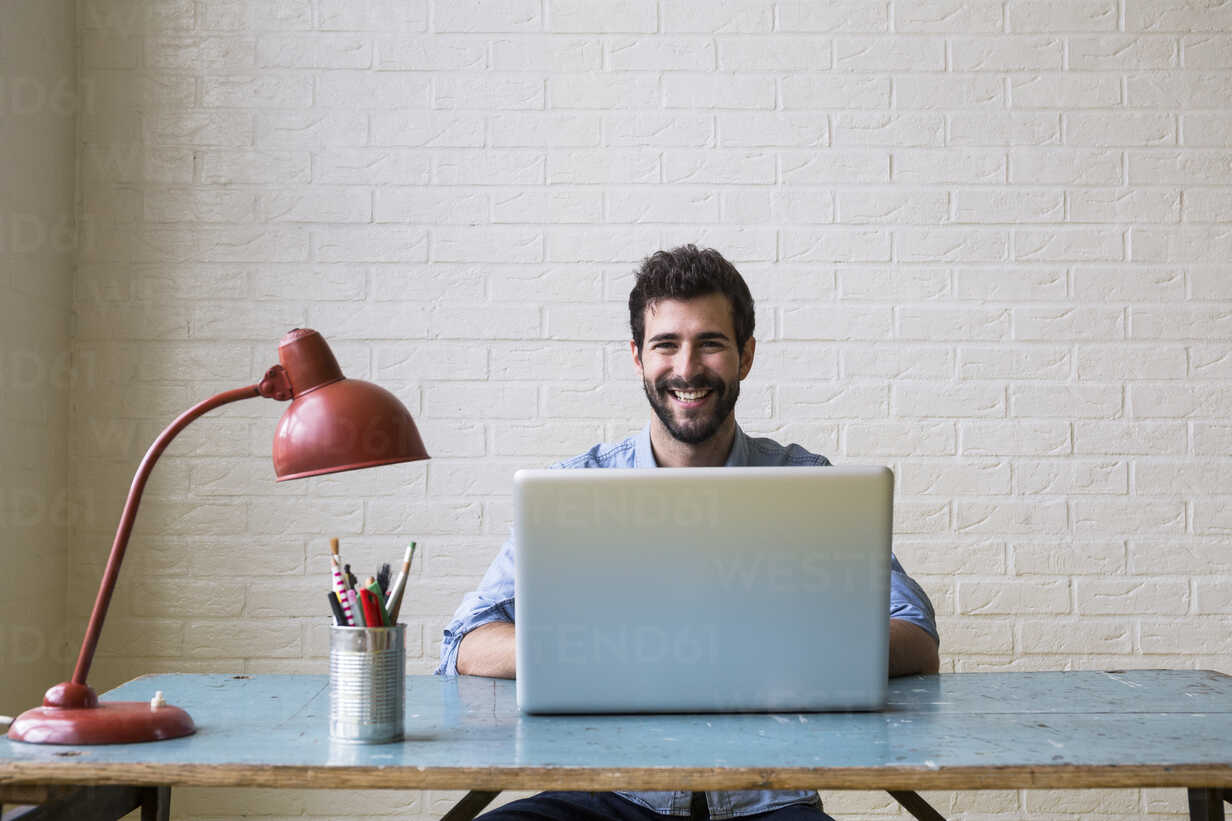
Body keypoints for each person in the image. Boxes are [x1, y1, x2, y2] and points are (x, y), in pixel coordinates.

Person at [437, 245, 940, 821]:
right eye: (665, 344)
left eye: (711, 343)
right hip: (607, 792)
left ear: (746, 356)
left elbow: (916, 636)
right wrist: (601, 651)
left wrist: (777, 655)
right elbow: (465, 643)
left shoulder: (805, 486)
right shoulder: (576, 489)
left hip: (767, 801)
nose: (686, 367)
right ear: (637, 357)